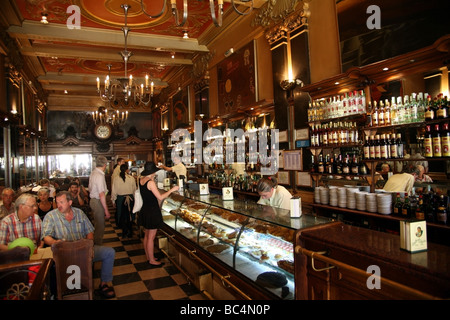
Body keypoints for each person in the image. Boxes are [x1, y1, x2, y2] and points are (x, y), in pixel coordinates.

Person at [42, 191, 116, 299]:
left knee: (109, 252)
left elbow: (89, 231)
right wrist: (54, 242)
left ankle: (104, 283)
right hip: (63, 252)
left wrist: (89, 247)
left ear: (70, 202)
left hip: (82, 249)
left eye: (62, 202)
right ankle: (60, 291)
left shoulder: (79, 213)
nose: (59, 206)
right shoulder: (51, 216)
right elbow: (46, 236)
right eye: (57, 202)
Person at [138, 162, 179, 266]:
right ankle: (152, 260)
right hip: (152, 211)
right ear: (152, 172)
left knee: (147, 235)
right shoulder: (150, 182)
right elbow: (160, 197)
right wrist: (172, 190)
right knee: (151, 237)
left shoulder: (141, 180)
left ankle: (149, 256)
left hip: (145, 209)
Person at [88, 155, 111, 245]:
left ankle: (95, 245)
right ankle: (96, 247)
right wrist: (107, 211)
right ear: (105, 165)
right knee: (100, 226)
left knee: (98, 224)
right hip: (97, 201)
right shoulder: (99, 175)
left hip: (94, 200)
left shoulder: (94, 172)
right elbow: (101, 194)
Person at [111, 163, 136, 238]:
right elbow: (134, 190)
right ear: (127, 170)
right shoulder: (131, 178)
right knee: (130, 215)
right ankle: (130, 231)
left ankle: (124, 232)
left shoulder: (116, 179)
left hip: (120, 199)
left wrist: (113, 200)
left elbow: (114, 191)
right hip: (130, 199)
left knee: (122, 215)